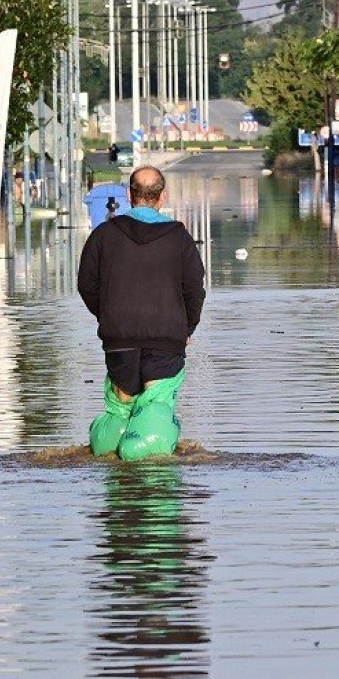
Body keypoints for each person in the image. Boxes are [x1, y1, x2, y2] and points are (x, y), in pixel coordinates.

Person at [78, 166, 206, 459]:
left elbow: (87, 284)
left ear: (129, 195)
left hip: (119, 338)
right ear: (162, 197)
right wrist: (187, 328)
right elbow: (194, 290)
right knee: (156, 404)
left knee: (122, 405)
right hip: (166, 337)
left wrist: (109, 316)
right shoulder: (180, 238)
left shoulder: (103, 235)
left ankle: (113, 454)